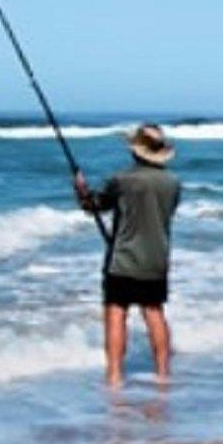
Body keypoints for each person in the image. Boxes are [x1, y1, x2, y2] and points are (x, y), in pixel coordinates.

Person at [75, 123, 182, 385]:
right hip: (157, 258)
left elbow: (95, 206)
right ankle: (163, 374)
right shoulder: (173, 183)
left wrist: (80, 191)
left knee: (116, 313)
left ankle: (114, 376)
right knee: (154, 312)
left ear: (136, 151)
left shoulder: (122, 180)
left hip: (123, 260)